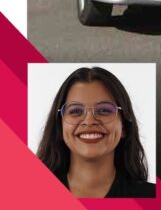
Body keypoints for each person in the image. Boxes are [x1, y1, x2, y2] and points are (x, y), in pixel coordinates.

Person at [36, 67, 154, 198]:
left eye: (104, 110)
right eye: (76, 111)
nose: (89, 121)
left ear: (124, 127)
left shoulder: (150, 196)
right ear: (59, 127)